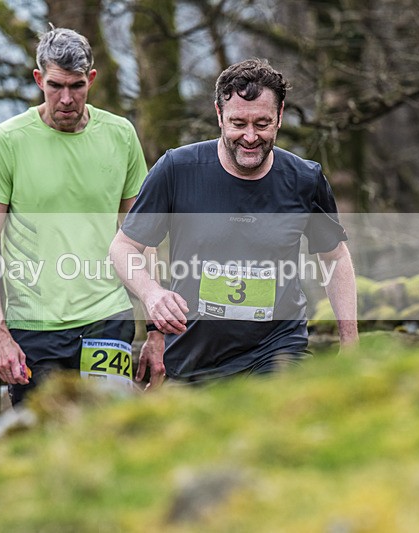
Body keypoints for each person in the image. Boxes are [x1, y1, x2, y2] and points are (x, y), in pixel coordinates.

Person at [109, 58, 359, 383]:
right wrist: (152, 293)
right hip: (194, 354)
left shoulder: (304, 179)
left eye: (262, 123)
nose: (251, 137)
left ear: (280, 116)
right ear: (219, 115)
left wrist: (350, 341)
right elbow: (123, 246)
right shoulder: (177, 170)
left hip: (277, 348)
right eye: (238, 123)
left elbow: (336, 257)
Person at [0, 27, 164, 404]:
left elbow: (143, 237)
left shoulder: (121, 135)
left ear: (91, 79)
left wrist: (156, 329)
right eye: (55, 85)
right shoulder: (7, 141)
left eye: (76, 86)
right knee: (45, 445)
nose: (66, 99)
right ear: (38, 78)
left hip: (108, 317)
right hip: (34, 326)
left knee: (107, 433)